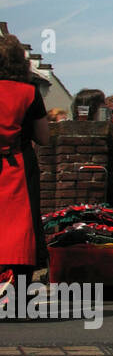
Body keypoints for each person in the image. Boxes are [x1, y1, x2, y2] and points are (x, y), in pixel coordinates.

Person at [0, 34, 50, 278]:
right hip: (18, 164)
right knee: (21, 228)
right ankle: (19, 295)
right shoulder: (29, 92)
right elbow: (43, 137)